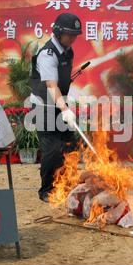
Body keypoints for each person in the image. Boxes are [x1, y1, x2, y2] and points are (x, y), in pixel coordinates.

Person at [30, 12, 82, 202]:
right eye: (69, 34)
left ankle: (68, 186)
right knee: (52, 151)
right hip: (43, 107)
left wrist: (64, 107)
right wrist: (65, 110)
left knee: (71, 148)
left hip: (59, 106)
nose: (73, 38)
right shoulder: (47, 54)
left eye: (75, 34)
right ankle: (47, 190)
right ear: (58, 32)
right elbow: (51, 85)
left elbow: (61, 84)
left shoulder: (68, 51)